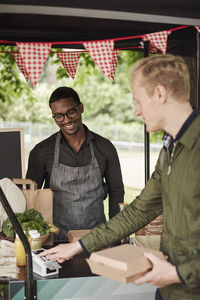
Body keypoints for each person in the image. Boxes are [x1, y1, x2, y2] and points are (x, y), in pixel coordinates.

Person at [40, 54, 200, 300]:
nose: (136, 111)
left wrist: (180, 273)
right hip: (169, 290)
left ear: (159, 94)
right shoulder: (169, 151)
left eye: (138, 101)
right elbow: (138, 212)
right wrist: (79, 246)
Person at [26, 86, 124, 241]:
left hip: (97, 237)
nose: (66, 120)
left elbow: (117, 191)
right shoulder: (41, 152)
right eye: (58, 116)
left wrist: (115, 233)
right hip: (57, 240)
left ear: (81, 108)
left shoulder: (105, 148)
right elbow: (31, 197)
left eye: (71, 112)